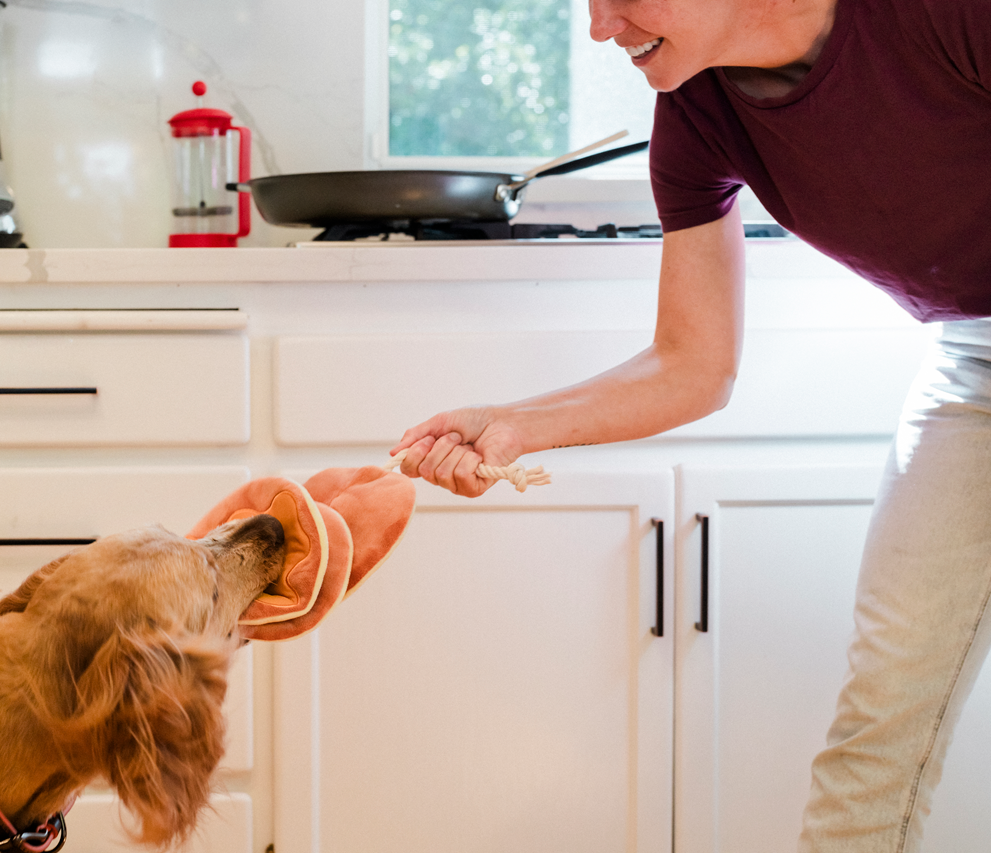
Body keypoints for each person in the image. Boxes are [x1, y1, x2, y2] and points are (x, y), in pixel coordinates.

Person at [389, 0, 991, 849]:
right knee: (881, 732)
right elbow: (693, 363)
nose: (601, 29)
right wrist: (518, 426)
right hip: (975, 363)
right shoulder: (698, 118)